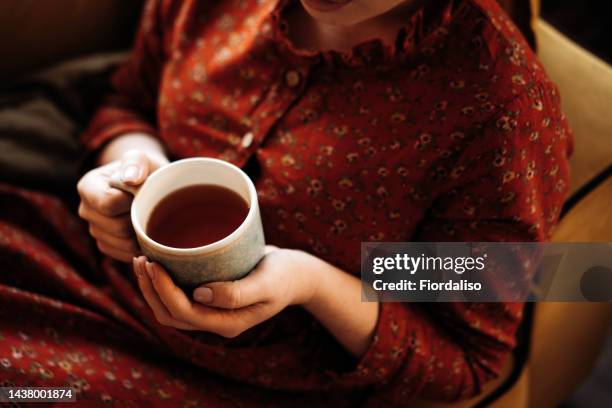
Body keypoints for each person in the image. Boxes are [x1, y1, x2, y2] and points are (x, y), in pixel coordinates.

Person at [1, 0, 571, 405]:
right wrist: (129, 166)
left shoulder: (497, 116)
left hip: (247, 381)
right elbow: (129, 97)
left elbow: (466, 358)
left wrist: (312, 284)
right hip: (75, 271)